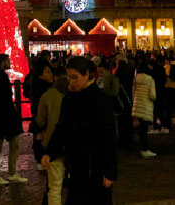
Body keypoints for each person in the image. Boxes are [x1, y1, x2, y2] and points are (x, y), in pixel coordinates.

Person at [42, 56, 118, 204]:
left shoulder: (100, 100)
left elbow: (109, 137)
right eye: (69, 77)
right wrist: (50, 152)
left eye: (75, 77)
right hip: (76, 166)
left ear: (87, 75)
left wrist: (110, 171)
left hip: (95, 167)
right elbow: (62, 128)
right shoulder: (70, 98)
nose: (71, 82)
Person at [0, 53, 27, 185]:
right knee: (1, 146)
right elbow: (3, 97)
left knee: (9, 145)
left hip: (3, 117)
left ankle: (6, 173)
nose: (9, 62)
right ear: (3, 62)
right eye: (8, 60)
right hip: (4, 117)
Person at [35, 68, 69, 205]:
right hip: (72, 144)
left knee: (54, 186)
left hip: (52, 142)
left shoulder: (48, 95)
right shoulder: (75, 94)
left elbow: (40, 120)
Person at [131, 60, 157, 157]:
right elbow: (152, 95)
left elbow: (133, 92)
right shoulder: (150, 79)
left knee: (141, 128)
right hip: (146, 105)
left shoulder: (136, 78)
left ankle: (142, 147)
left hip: (138, 104)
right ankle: (145, 149)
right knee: (144, 128)